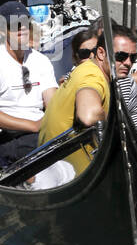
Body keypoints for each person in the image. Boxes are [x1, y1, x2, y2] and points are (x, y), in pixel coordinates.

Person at [0, 0, 58, 167]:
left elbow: (53, 104)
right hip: (7, 139)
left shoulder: (42, 61)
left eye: (25, 22)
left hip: (42, 134)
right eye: (15, 24)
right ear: (3, 30)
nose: (22, 28)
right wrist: (33, 126)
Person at [34, 26, 111, 187]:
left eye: (94, 51)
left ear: (100, 52)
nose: (91, 57)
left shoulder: (90, 74)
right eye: (85, 53)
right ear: (76, 58)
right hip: (65, 155)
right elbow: (88, 116)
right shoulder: (88, 75)